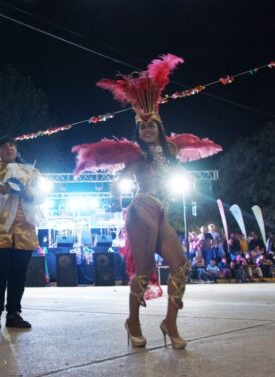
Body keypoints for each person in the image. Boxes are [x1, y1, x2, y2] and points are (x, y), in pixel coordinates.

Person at [72, 54, 221, 349]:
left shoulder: (171, 153)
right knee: (143, 271)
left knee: (181, 267)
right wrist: (116, 188)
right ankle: (134, 322)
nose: (147, 130)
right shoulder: (136, 156)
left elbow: (186, 152)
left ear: (160, 126)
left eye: (151, 125)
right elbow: (119, 182)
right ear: (138, 132)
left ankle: (170, 323)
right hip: (141, 211)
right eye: (142, 127)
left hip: (161, 214)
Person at [0, 136, 47, 331]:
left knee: (18, 276)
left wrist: (28, 194)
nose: (9, 148)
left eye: (12, 145)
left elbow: (41, 197)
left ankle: (14, 314)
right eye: (4, 146)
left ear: (16, 149)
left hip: (23, 233)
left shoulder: (31, 171)